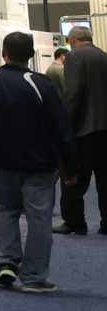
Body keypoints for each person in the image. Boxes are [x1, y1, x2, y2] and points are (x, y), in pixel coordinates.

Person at [0, 30, 78, 292]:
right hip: (40, 166)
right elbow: (61, 129)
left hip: (2, 163)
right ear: (31, 55)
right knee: (39, 219)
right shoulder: (41, 84)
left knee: (5, 211)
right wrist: (71, 167)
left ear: (3, 52)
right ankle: (34, 277)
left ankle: (6, 262)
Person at [56, 25, 107, 235]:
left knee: (73, 178)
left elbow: (73, 94)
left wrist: (65, 125)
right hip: (105, 130)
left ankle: (74, 222)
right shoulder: (103, 56)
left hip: (83, 130)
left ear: (72, 41)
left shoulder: (74, 57)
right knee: (105, 179)